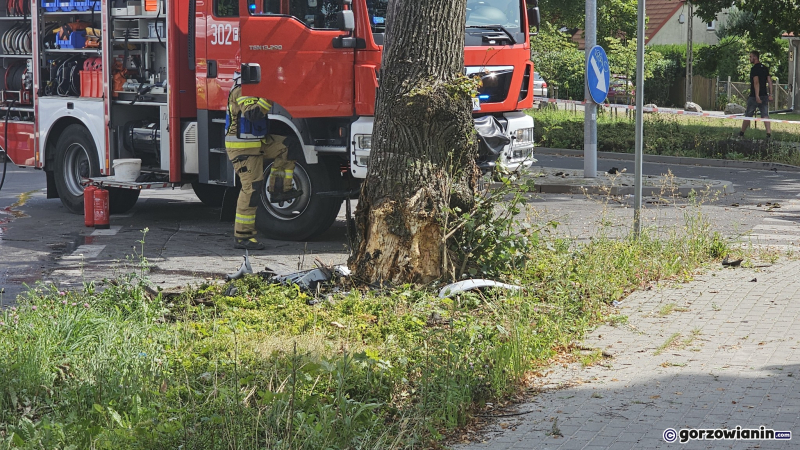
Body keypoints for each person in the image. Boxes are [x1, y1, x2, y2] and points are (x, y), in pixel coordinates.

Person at [225, 74, 302, 250]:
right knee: (251, 189)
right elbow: (253, 114)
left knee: (288, 146)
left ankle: (279, 190)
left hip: (257, 143)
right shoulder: (243, 90)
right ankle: (242, 236)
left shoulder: (251, 90)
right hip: (243, 149)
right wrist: (269, 96)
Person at [739, 50, 774, 139]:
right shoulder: (765, 68)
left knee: (748, 114)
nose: (749, 58)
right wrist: (771, 94)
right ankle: (768, 134)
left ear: (755, 57)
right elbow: (770, 81)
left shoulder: (754, 69)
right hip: (765, 95)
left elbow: (756, 82)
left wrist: (757, 96)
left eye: (750, 57)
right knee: (765, 114)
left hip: (755, 96)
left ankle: (741, 133)